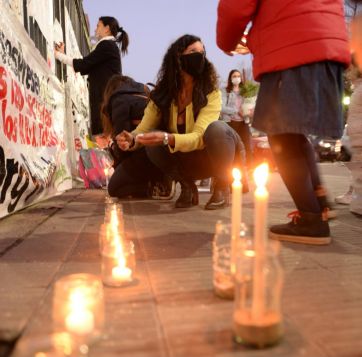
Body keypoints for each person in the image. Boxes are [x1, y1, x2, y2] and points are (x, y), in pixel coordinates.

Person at [217, 0, 350, 244]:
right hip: (327, 42)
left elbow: (235, 6)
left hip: (291, 46)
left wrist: (226, 41)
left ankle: (311, 220)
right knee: (294, 133)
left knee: (280, 133)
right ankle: (319, 203)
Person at [117, 34, 246, 209]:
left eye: (202, 52)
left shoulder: (211, 93)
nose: (200, 56)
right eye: (193, 51)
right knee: (151, 142)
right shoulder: (162, 95)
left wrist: (168, 138)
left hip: (209, 156)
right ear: (178, 57)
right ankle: (187, 186)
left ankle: (222, 186)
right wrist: (131, 139)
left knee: (217, 128)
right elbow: (143, 129)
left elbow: (200, 137)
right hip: (186, 161)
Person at [100, 74, 175, 199]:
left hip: (145, 152)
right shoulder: (147, 95)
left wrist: (116, 159)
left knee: (114, 188)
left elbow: (122, 142)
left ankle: (152, 187)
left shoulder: (119, 100)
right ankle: (161, 179)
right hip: (167, 149)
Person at [54, 16, 129, 140]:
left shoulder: (106, 45)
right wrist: (63, 55)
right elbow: (85, 65)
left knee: (103, 142)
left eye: (98, 26)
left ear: (107, 29)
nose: (95, 29)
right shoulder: (108, 46)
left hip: (104, 104)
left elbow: (84, 64)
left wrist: (59, 56)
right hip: (106, 103)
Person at [220, 69, 253, 167]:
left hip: (244, 122)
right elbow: (221, 108)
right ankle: (234, 170)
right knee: (233, 147)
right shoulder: (225, 91)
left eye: (238, 76)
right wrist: (236, 111)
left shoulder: (245, 91)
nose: (237, 78)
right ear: (230, 78)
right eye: (234, 76)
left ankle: (250, 170)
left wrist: (249, 111)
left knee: (247, 147)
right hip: (230, 123)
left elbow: (250, 105)